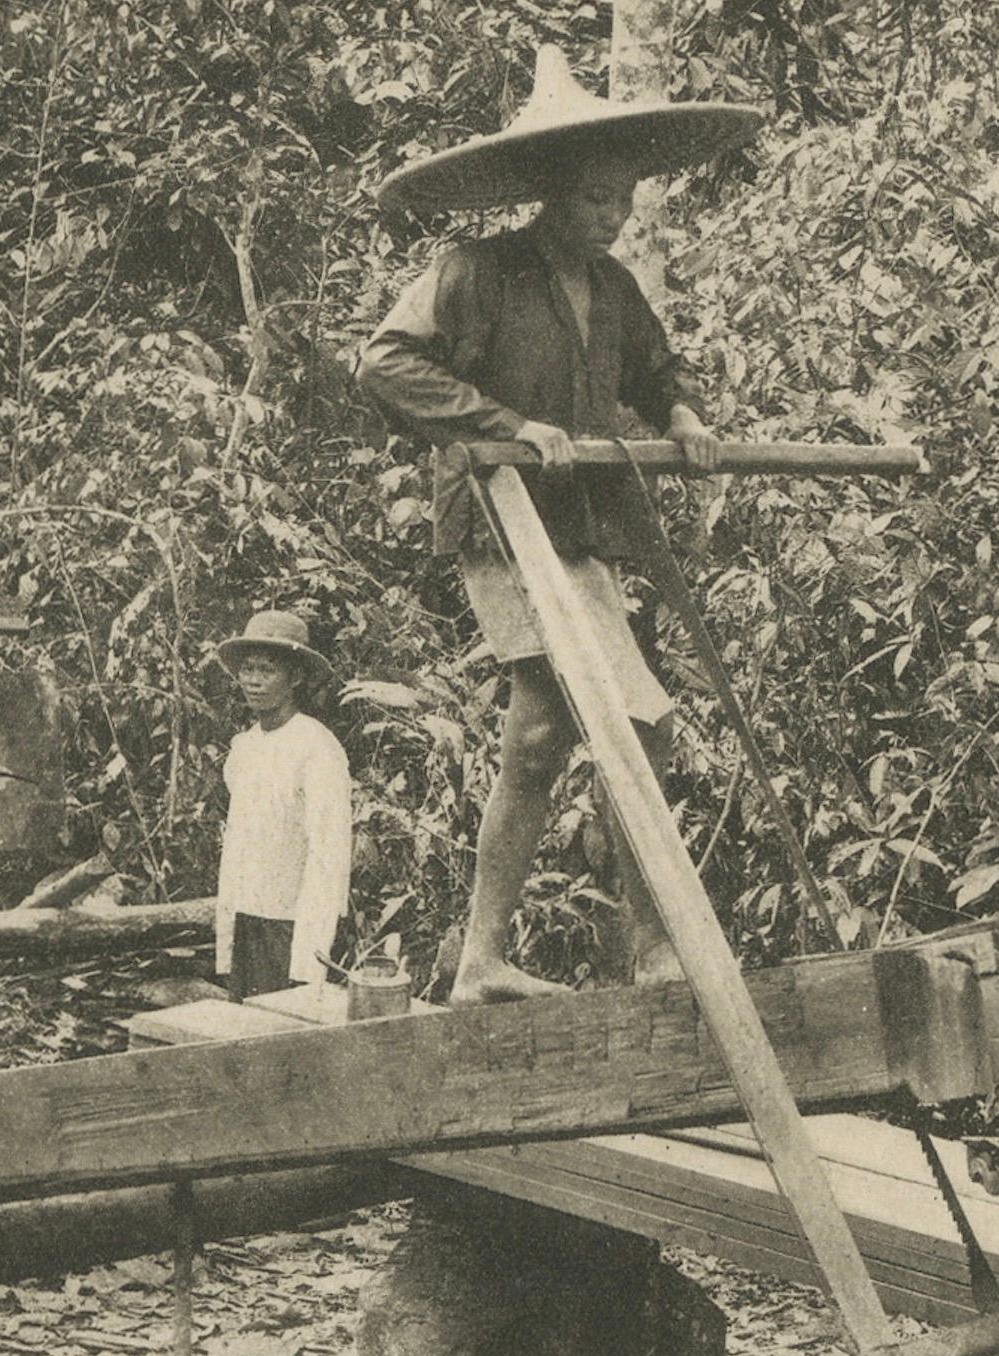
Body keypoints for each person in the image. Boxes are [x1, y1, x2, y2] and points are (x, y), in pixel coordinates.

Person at [359, 48, 762, 1004]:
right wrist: (505, 428)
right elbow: (382, 364)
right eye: (592, 199)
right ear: (549, 194)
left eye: (621, 200)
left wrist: (684, 418)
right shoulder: (476, 271)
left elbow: (658, 371)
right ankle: (493, 958)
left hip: (584, 528)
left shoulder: (615, 287)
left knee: (618, 728)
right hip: (502, 524)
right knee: (555, 724)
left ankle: (634, 948)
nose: (610, 216)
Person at [213, 610, 353, 1000]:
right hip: (247, 924)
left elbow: (329, 857)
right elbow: (241, 846)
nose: (253, 681)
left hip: (293, 930)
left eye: (267, 670)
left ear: (295, 677)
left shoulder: (318, 749)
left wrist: (309, 962)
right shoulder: (245, 748)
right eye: (248, 669)